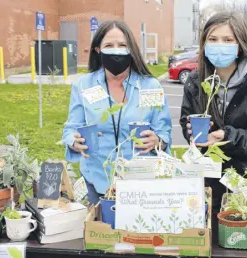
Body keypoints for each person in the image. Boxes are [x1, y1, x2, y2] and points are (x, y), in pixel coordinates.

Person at [179, 12, 247, 212]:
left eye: (228, 40)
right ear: (204, 44)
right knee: (216, 233)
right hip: (217, 174)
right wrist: (192, 133)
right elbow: (186, 122)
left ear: (240, 45)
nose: (219, 44)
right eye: (213, 39)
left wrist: (226, 135)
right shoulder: (195, 82)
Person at [63, 20, 172, 205]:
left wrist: (158, 141)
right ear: (98, 49)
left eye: (122, 45)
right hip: (98, 179)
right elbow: (70, 129)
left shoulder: (149, 86)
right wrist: (74, 141)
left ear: (131, 49)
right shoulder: (84, 85)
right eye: (109, 45)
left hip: (141, 182)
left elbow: (164, 131)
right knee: (102, 231)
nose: (116, 51)